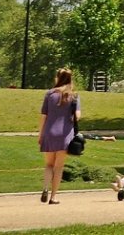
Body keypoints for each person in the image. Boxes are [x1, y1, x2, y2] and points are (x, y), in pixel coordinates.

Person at [37, 68, 79, 205]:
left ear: (57, 78)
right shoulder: (73, 96)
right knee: (58, 167)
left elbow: (44, 116)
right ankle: (53, 197)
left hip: (49, 132)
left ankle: (45, 188)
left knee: (49, 164)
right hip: (65, 134)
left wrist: (40, 134)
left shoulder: (49, 94)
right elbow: (77, 116)